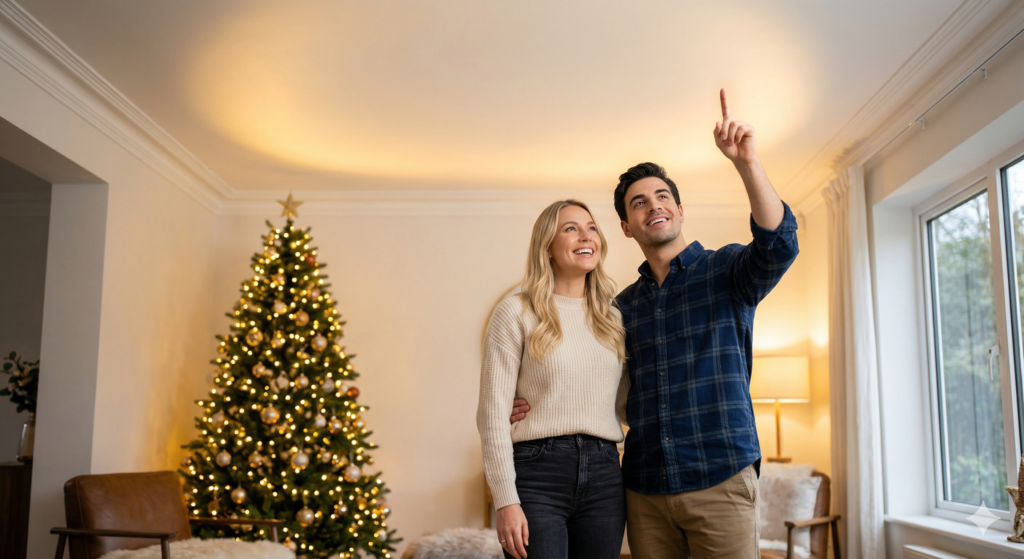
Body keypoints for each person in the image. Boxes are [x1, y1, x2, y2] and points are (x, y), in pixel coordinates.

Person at [511, 89, 799, 558]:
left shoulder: (726, 272)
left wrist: (746, 162)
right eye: (639, 203)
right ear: (626, 226)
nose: (654, 206)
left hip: (720, 478)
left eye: (662, 197)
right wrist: (528, 402)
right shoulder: (618, 307)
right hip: (644, 489)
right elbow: (587, 370)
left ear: (681, 211)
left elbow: (779, 244)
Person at [477, 199, 629, 559]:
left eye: (591, 227)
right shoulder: (515, 311)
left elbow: (623, 404)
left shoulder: (613, 317)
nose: (586, 235)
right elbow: (492, 415)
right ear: (547, 246)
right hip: (537, 474)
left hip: (606, 473)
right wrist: (505, 500)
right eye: (571, 228)